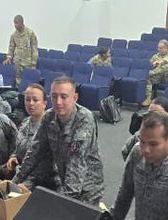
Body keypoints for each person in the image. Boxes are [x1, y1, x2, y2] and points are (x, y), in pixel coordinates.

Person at [14, 76, 105, 205]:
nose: (58, 102)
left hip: (88, 188)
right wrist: (14, 183)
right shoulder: (49, 117)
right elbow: (34, 152)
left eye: (64, 96)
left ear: (75, 98)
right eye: (54, 96)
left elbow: (76, 164)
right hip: (65, 181)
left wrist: (58, 201)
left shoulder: (84, 120)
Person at [13, 83, 47, 169]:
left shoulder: (49, 127)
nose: (31, 103)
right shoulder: (25, 123)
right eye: (27, 100)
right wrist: (13, 157)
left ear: (44, 103)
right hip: (19, 171)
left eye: (35, 100)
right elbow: (18, 148)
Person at [4, 15, 39, 86]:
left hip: (28, 63)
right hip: (17, 62)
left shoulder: (30, 33)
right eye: (14, 23)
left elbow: (34, 48)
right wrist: (9, 57)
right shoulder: (13, 35)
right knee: (18, 81)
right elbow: (11, 47)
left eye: (16, 23)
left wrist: (33, 63)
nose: (15, 25)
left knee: (28, 81)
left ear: (21, 23)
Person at [143, 40, 168, 107]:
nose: (159, 50)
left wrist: (158, 62)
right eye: (158, 48)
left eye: (160, 48)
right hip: (159, 76)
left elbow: (165, 60)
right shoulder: (157, 55)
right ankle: (148, 98)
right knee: (148, 78)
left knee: (165, 66)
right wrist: (152, 64)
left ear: (166, 48)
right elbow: (150, 63)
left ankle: (150, 73)